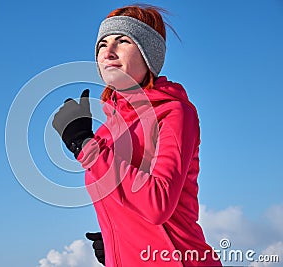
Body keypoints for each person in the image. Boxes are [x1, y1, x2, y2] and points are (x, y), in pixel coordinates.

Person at [52, 4, 222, 267]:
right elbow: (129, 198)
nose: (108, 52)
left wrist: (84, 145)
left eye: (122, 41)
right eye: (101, 45)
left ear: (148, 54)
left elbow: (158, 203)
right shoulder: (108, 130)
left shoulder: (174, 112)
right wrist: (117, 238)